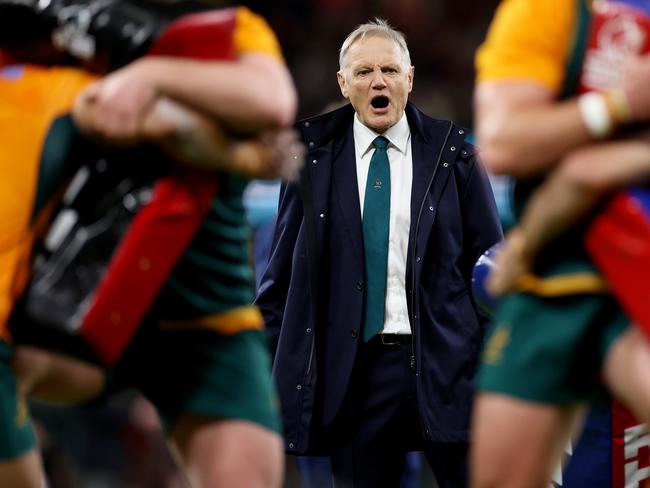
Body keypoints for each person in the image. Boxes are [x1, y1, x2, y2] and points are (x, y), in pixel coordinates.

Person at [0, 4, 301, 488]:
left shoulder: (227, 28)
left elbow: (269, 102)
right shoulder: (34, 26)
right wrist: (230, 148)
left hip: (202, 303)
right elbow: (109, 111)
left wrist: (152, 73)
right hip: (70, 292)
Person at [257, 18, 502, 488]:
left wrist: (505, 374)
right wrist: (254, 378)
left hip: (447, 365)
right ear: (342, 84)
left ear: (409, 78)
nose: (378, 81)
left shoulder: (458, 158)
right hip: (354, 375)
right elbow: (280, 284)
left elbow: (490, 274)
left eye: (389, 70)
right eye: (364, 71)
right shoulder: (309, 164)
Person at [471, 1, 650, 486]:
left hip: (602, 277)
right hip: (561, 275)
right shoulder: (549, 13)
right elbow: (507, 143)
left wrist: (524, 248)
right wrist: (620, 105)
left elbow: (577, 171)